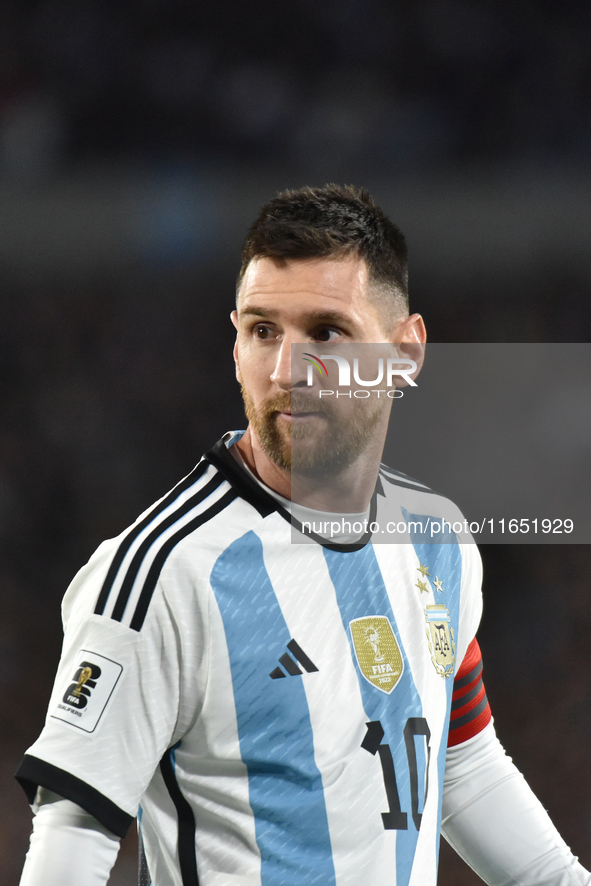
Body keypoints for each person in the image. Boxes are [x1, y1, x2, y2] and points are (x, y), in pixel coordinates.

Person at [16, 185, 589, 886]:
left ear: (404, 354)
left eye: (325, 332)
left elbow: (458, 756)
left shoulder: (436, 537)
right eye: (263, 331)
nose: (287, 371)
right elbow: (73, 832)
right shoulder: (162, 573)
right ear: (234, 344)